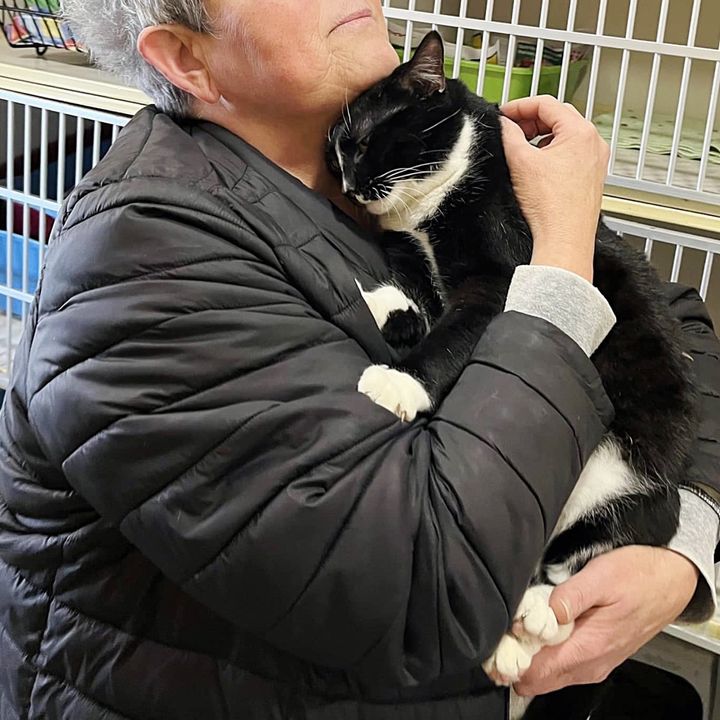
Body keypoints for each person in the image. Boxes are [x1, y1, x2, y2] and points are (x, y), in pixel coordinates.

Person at [0, 1, 718, 718]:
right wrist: (561, 255)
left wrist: (681, 545)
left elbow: (670, 320)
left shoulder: (389, 136)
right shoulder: (142, 266)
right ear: (188, 59)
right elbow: (423, 589)